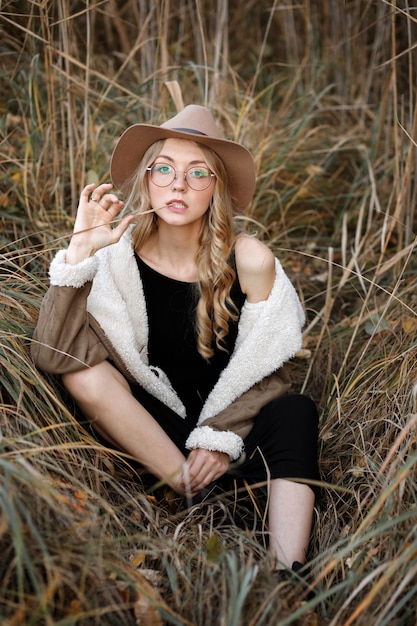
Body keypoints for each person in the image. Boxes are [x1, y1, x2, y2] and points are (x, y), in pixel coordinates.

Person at [31, 104, 320, 574]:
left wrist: (221, 436)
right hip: (156, 439)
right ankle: (199, 500)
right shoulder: (115, 261)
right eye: (163, 169)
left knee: (296, 411)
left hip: (238, 432)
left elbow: (271, 365)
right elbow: (54, 353)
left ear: (217, 187)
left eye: (197, 173)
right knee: (86, 379)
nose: (178, 185)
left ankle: (287, 572)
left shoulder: (248, 258)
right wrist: (81, 249)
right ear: (146, 181)